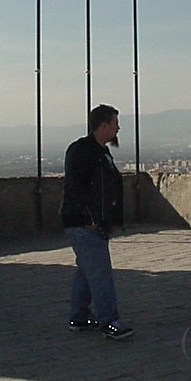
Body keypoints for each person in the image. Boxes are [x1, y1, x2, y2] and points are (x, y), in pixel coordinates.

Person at [60, 104, 133, 340]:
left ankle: (79, 317)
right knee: (100, 273)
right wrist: (90, 219)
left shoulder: (100, 151)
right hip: (83, 223)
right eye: (115, 123)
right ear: (103, 125)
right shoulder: (81, 150)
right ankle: (109, 322)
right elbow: (75, 188)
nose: (118, 127)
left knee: (87, 270)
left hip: (92, 222)